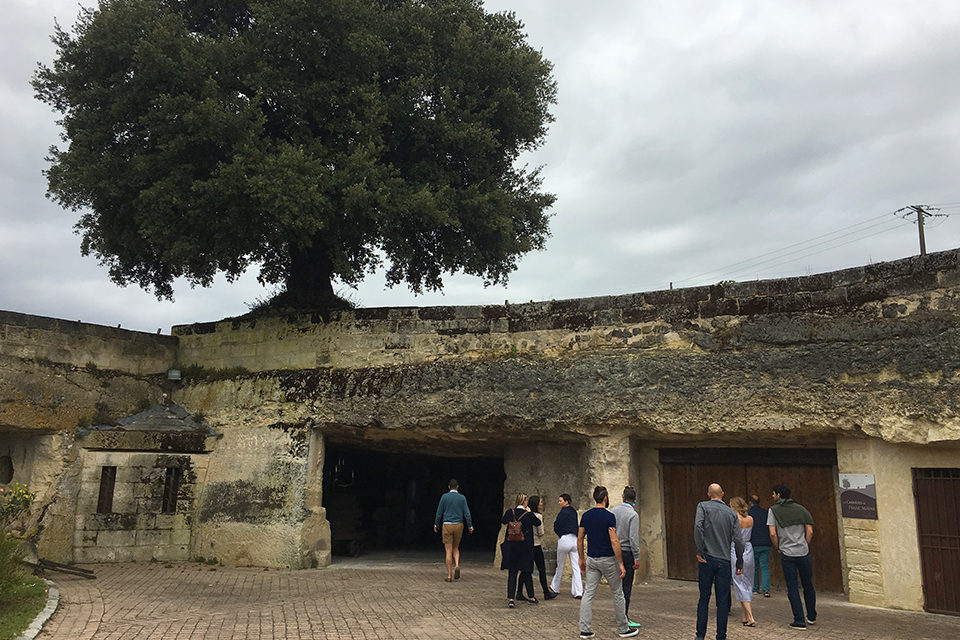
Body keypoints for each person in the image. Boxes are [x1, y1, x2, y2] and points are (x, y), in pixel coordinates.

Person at [577, 485, 638, 639]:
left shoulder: (586, 515)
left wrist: (581, 558)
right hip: (608, 559)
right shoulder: (609, 516)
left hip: (592, 558)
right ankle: (623, 628)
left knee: (588, 593)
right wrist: (621, 563)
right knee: (618, 593)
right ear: (605, 498)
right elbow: (614, 541)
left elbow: (579, 539)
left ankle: (585, 629)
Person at [694, 483, 744, 640]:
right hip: (724, 560)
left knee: (704, 598)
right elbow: (739, 540)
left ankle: (700, 635)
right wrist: (740, 561)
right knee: (722, 602)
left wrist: (700, 550)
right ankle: (721, 636)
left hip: (706, 558)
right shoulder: (731, 513)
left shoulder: (702, 506)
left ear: (708, 494)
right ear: (722, 494)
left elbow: (698, 527)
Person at [768, 484, 817, 630]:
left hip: (787, 553)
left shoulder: (774, 510)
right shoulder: (801, 509)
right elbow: (810, 531)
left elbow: (772, 533)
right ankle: (812, 615)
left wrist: (778, 547)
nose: (772, 496)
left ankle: (799, 620)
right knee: (808, 584)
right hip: (803, 552)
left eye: (773, 494)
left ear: (778, 495)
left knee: (793, 587)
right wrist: (805, 544)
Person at [500, 493, 540, 607]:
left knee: (512, 573)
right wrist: (529, 512)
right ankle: (531, 596)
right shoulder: (528, 515)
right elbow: (538, 522)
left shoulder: (509, 512)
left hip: (512, 546)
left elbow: (503, 521)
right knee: (527, 572)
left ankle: (511, 599)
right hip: (525, 547)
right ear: (525, 502)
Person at [610, 486, 641, 628]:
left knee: (617, 586)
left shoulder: (614, 511)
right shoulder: (633, 515)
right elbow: (633, 538)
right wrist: (637, 556)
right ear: (634, 499)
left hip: (615, 550)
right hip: (627, 552)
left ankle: (618, 614)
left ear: (623, 497)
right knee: (626, 586)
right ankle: (624, 617)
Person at [517, 496, 559, 601]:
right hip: (536, 545)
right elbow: (541, 532)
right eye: (540, 502)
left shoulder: (525, 515)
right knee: (541, 569)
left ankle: (519, 591)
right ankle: (546, 592)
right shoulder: (538, 516)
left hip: (527, 545)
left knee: (525, 569)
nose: (541, 504)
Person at [433, 478, 473, 582]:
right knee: (456, 547)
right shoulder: (462, 498)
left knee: (448, 550)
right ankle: (457, 565)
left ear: (449, 487)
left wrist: (436, 524)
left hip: (447, 525)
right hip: (459, 524)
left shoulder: (444, 497)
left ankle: (449, 575)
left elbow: (439, 512)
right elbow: (467, 514)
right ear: (457, 487)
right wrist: (470, 526)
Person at [729, 496, 756, 627]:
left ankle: (750, 616)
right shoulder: (750, 519)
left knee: (739, 581)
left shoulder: (734, 519)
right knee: (748, 581)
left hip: (736, 549)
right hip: (748, 548)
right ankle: (744, 615)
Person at [550, 493, 583, 598]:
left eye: (561, 501)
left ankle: (555, 587)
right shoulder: (573, 512)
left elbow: (557, 526)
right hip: (574, 539)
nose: (559, 503)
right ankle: (578, 591)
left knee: (560, 565)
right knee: (576, 567)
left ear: (566, 501)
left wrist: (559, 533)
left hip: (564, 539)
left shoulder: (562, 513)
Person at [748, 494, 772, 597]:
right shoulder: (766, 513)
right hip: (765, 543)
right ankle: (766, 589)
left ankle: (755, 588)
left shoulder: (748, 514)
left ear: (750, 503)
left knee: (755, 567)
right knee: (765, 566)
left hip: (754, 543)